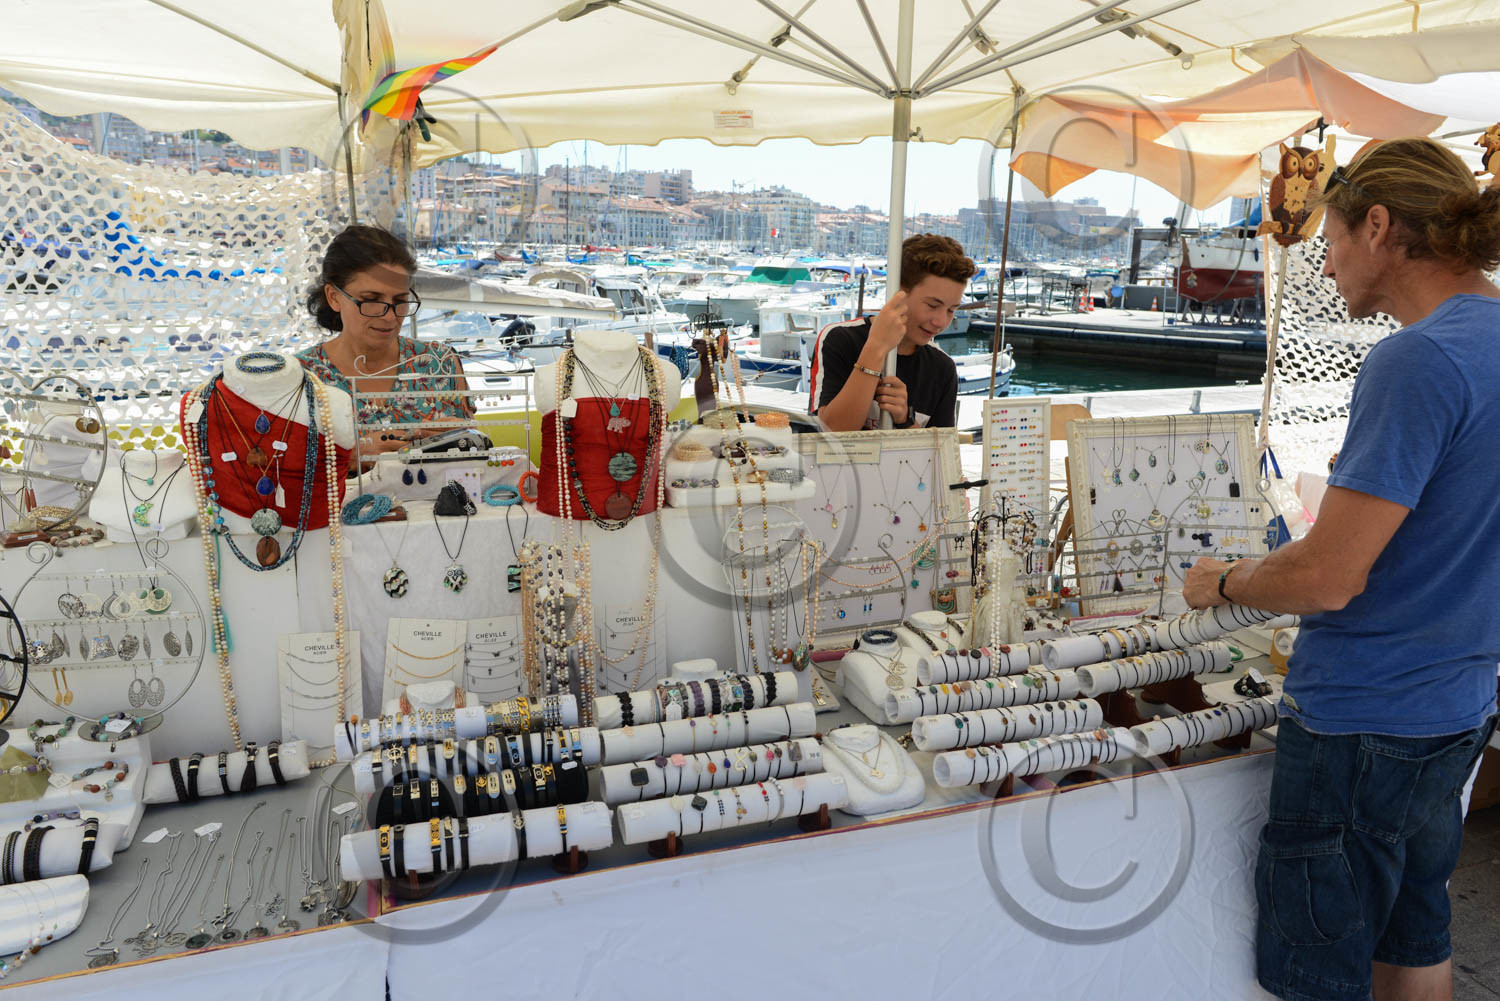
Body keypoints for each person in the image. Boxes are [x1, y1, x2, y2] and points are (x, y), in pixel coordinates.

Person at [1182, 137, 1500, 1001]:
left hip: (1366, 716)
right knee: (1414, 938)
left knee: (1318, 970)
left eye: (1330, 238)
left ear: (1381, 227)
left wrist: (1227, 581)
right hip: (1459, 704)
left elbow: (1329, 578)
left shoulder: (1418, 360)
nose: (1323, 261)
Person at [298, 224, 474, 464]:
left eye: (400, 301)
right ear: (334, 297)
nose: (390, 317)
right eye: (371, 300)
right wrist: (351, 457)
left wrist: (461, 438)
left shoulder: (439, 364)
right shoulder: (303, 377)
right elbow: (279, 469)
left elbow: (475, 451)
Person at [812, 233, 975, 430]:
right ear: (898, 292)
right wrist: (876, 348)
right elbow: (832, 432)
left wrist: (906, 419)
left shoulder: (942, 368)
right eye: (933, 305)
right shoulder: (840, 338)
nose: (940, 321)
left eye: (951, 310)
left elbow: (938, 457)